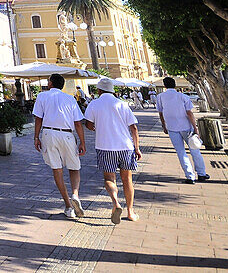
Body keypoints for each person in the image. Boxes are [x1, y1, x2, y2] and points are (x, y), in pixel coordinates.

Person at [85, 76, 143, 224]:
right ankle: (131, 211)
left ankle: (116, 203)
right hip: (125, 147)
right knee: (127, 179)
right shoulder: (122, 104)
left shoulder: (94, 104)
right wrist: (137, 148)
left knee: (109, 179)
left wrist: (97, 127)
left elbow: (88, 124)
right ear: (112, 90)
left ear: (99, 90)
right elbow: (134, 128)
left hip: (105, 147)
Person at [33, 73, 88, 219]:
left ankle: (68, 206)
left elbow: (38, 119)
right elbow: (78, 123)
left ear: (50, 83)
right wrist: (82, 141)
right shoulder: (70, 98)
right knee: (74, 167)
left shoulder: (42, 96)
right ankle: (75, 194)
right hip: (67, 134)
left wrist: (36, 137)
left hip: (49, 134)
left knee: (57, 169)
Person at [156, 77, 209, 184]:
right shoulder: (183, 96)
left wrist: (164, 126)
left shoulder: (160, 97)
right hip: (186, 127)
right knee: (195, 150)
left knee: (181, 152)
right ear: (175, 85)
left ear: (164, 86)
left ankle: (190, 176)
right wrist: (195, 128)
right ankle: (201, 174)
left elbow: (161, 113)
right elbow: (189, 113)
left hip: (171, 128)